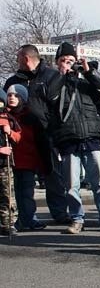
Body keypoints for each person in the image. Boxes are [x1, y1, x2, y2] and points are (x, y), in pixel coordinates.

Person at [46, 42, 100, 234]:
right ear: (57, 63)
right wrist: (62, 74)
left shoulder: (86, 82)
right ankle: (77, 219)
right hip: (68, 141)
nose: (69, 64)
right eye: (64, 60)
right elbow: (50, 98)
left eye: (71, 60)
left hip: (91, 138)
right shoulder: (54, 83)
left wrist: (89, 71)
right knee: (71, 186)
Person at [3, 44, 69, 224]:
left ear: (26, 58)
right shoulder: (13, 81)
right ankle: (25, 216)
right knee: (23, 181)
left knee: (53, 175)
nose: (17, 62)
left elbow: (59, 107)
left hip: (46, 134)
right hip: (20, 137)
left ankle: (59, 213)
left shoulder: (51, 76)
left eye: (18, 58)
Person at [5, 84, 47, 232]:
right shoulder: (4, 116)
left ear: (23, 99)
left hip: (27, 161)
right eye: (9, 95)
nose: (12, 98)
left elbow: (35, 140)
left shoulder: (30, 117)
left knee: (27, 193)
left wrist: (42, 164)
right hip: (10, 162)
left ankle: (29, 219)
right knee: (14, 193)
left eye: (16, 96)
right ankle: (16, 220)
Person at [0, 89, 21, 236]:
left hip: (4, 165)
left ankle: (8, 222)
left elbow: (19, 137)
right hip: (2, 155)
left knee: (7, 194)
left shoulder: (9, 118)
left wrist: (10, 133)